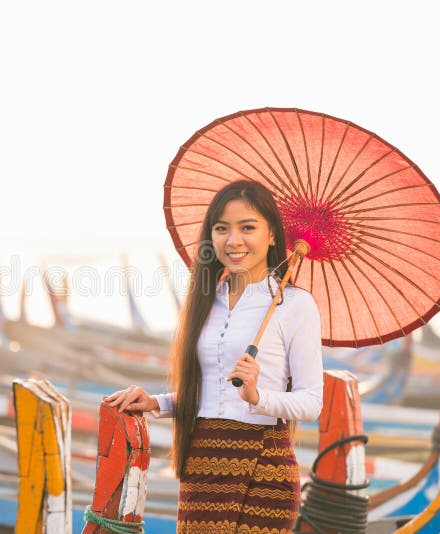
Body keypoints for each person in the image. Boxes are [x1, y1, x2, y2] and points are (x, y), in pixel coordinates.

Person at [106, 179, 323, 532]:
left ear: (271, 235)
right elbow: (207, 394)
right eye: (222, 228)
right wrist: (155, 404)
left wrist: (258, 397)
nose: (233, 240)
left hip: (264, 469)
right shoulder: (207, 299)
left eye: (247, 228)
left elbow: (312, 403)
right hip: (202, 466)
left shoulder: (295, 305)